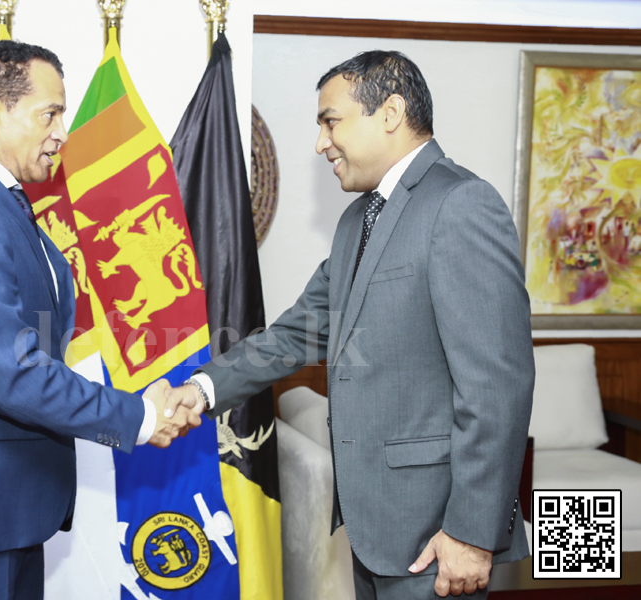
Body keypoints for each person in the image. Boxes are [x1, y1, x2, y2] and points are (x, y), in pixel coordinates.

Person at [166, 50, 534, 599]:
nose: (320, 144)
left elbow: (497, 386)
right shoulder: (356, 220)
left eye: (330, 121)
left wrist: (471, 534)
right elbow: (294, 334)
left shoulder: (461, 203)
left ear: (389, 113)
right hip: (373, 531)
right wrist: (199, 389)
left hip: (439, 536)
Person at [0, 41, 199, 599]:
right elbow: (14, 372)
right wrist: (139, 418)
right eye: (49, 113)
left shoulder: (0, 202)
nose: (60, 131)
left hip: (6, 512)